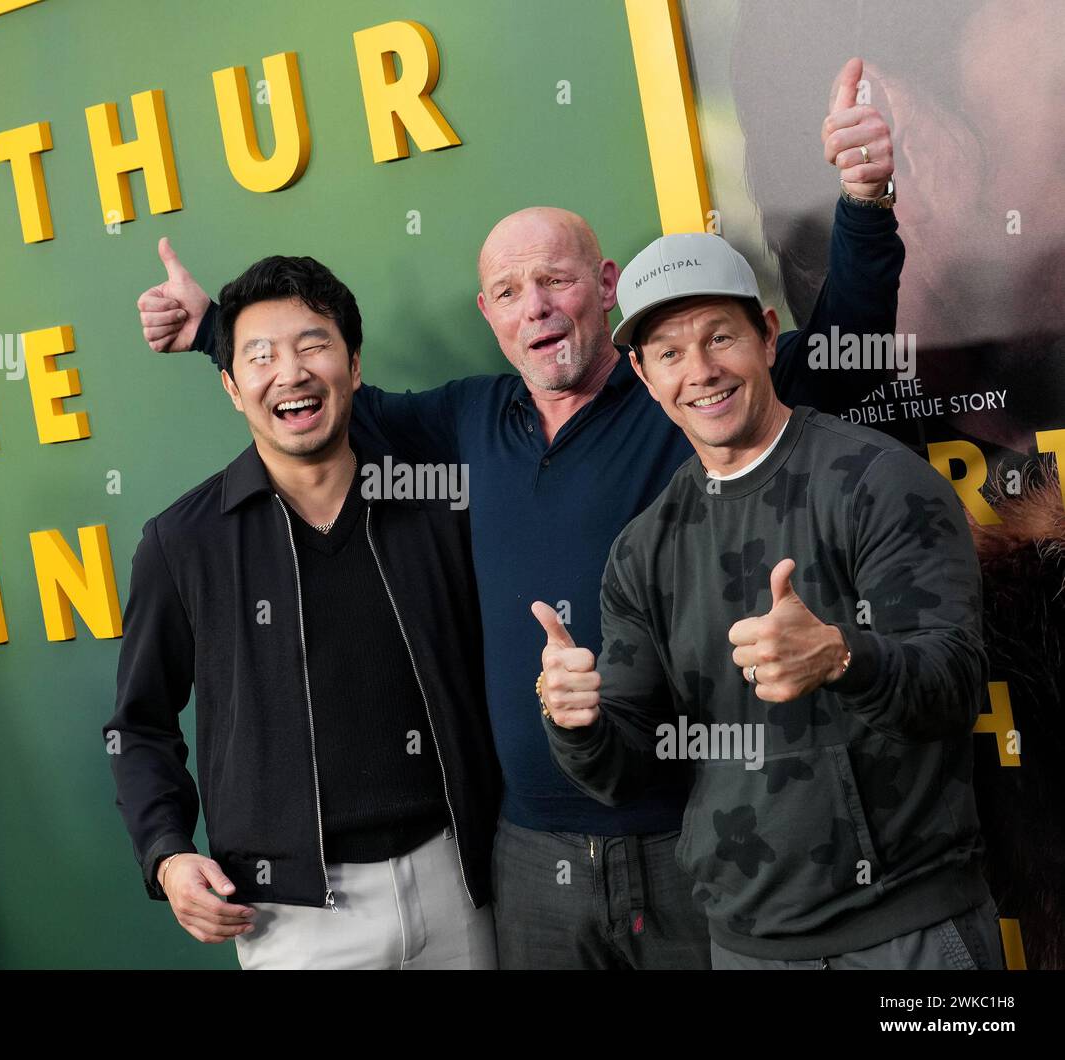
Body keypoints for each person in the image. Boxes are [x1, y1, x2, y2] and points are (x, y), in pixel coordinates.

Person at [136, 59, 905, 969]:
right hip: (526, 855)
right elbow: (310, 391)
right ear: (487, 314)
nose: (535, 307)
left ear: (608, 283)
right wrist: (218, 328)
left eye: (556, 281)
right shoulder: (462, 420)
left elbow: (847, 364)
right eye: (508, 292)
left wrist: (863, 201)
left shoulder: (684, 394)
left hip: (696, 831)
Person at [535, 231, 1002, 969]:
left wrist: (846, 656)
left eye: (720, 336)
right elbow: (625, 771)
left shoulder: (879, 482)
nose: (701, 371)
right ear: (645, 375)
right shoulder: (642, 550)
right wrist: (576, 722)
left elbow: (952, 688)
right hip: (746, 947)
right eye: (669, 352)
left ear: (768, 336)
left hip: (908, 934)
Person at [105, 256, 499, 969]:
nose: (289, 372)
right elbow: (138, 727)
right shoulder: (181, 541)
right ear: (230, 387)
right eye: (259, 356)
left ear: (353, 366)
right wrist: (166, 855)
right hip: (291, 917)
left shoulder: (435, 502)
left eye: (313, 345)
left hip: (461, 882)